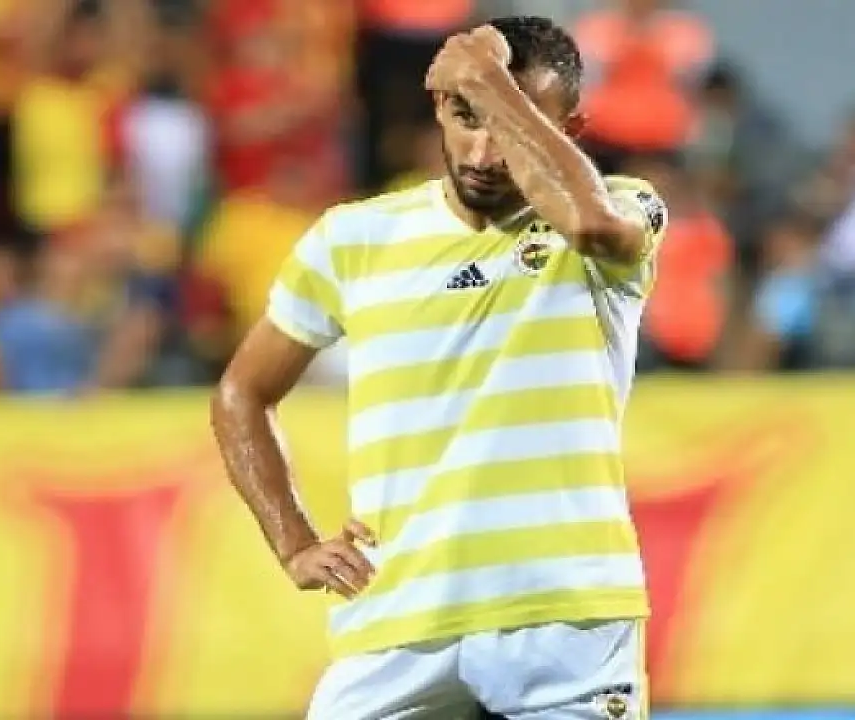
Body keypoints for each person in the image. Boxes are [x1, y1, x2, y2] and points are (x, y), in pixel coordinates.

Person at [210, 16, 666, 719]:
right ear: (439, 109)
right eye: (465, 116)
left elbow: (592, 224)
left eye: (509, 124)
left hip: (564, 615)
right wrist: (293, 541)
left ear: (568, 130)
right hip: (397, 617)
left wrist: (484, 78)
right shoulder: (353, 238)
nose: (483, 152)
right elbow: (243, 391)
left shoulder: (622, 209)